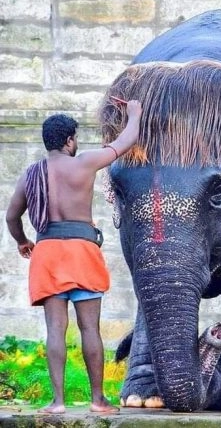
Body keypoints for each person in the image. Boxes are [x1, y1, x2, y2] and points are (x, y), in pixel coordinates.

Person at [5, 100, 142, 414]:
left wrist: (23, 241)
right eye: (75, 138)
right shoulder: (84, 163)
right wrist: (134, 113)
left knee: (55, 329)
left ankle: (57, 402)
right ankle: (97, 400)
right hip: (82, 252)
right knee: (90, 329)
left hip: (47, 253)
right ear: (69, 141)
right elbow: (125, 142)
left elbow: (12, 216)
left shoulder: (31, 174)